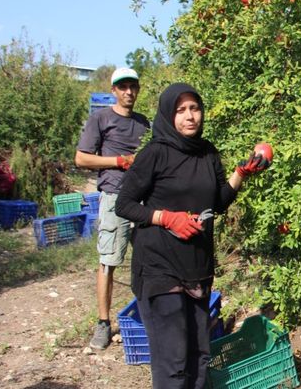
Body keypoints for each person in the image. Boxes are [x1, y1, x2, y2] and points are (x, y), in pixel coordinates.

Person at [115, 83, 269, 389]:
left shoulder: (207, 153)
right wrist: (165, 217)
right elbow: (124, 204)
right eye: (181, 110)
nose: (190, 116)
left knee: (199, 356)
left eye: (195, 108)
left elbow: (217, 203)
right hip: (160, 265)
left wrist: (241, 174)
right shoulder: (154, 154)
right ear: (168, 115)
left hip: (197, 266)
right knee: (173, 361)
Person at [75, 67, 150, 350]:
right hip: (115, 197)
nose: (128, 92)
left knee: (148, 261)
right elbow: (82, 159)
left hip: (144, 198)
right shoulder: (101, 118)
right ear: (114, 91)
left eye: (133, 86)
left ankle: (148, 315)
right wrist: (119, 162)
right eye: (123, 87)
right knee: (108, 262)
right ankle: (103, 324)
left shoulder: (145, 123)